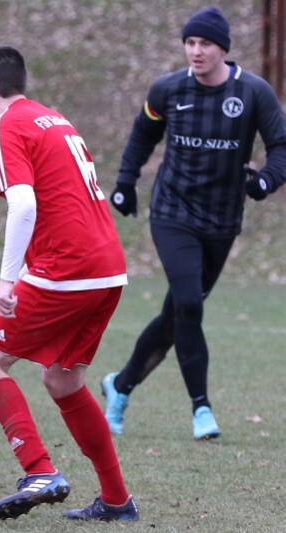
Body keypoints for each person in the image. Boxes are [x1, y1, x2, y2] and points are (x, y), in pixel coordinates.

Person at [0, 44, 138, 522]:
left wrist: (7, 280)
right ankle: (116, 500)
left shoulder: (4, 126)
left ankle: (39, 470)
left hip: (67, 268)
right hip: (107, 267)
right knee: (63, 379)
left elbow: (23, 204)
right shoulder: (53, 119)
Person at [103, 6, 286, 440]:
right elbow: (143, 134)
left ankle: (120, 385)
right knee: (188, 303)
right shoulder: (168, 89)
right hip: (173, 213)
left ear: (223, 48)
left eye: (205, 43)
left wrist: (266, 180)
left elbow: (281, 145)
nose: (196, 51)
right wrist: (126, 182)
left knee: (177, 314)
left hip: (221, 220)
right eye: (190, 42)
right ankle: (201, 408)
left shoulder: (253, 92)